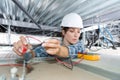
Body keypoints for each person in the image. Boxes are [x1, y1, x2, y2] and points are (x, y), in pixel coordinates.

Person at [13, 13, 85, 65]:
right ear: (63, 32)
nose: (76, 35)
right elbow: (37, 52)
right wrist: (27, 51)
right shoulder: (54, 45)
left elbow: (73, 51)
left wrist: (59, 50)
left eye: (78, 32)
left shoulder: (80, 46)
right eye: (72, 31)